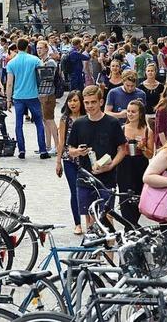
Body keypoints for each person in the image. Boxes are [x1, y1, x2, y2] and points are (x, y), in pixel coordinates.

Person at [67, 85, 127, 228]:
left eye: (93, 102)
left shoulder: (112, 123)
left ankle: (108, 249)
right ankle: (93, 249)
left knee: (107, 217)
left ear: (101, 102)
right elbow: (70, 150)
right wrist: (78, 152)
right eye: (86, 102)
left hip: (107, 178)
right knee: (90, 219)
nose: (89, 106)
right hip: (85, 177)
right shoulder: (79, 123)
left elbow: (122, 149)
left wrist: (111, 166)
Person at [6, 37, 49, 159]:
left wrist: (8, 99)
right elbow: (44, 75)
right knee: (39, 123)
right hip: (33, 95)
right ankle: (42, 150)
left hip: (18, 97)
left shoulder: (11, 63)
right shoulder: (35, 60)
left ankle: (22, 150)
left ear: (17, 47)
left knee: (18, 124)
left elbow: (9, 83)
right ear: (27, 47)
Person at [116, 100, 154, 229]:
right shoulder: (121, 129)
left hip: (140, 164)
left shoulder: (147, 131)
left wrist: (142, 148)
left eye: (133, 112)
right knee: (124, 196)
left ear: (140, 114)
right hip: (124, 165)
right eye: (128, 111)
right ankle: (130, 227)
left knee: (138, 196)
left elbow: (150, 154)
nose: (130, 114)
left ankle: (131, 226)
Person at [55, 90, 85, 235]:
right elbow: (61, 142)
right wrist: (58, 161)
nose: (72, 103)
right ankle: (77, 223)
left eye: (75, 100)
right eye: (70, 100)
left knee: (87, 190)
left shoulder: (87, 118)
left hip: (86, 160)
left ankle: (91, 221)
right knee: (75, 191)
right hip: (69, 159)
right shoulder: (65, 119)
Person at [36, 41, 59, 155]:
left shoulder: (50, 62)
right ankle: (48, 145)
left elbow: (47, 78)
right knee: (45, 120)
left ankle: (57, 145)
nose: (38, 50)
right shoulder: (41, 61)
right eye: (37, 48)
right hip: (42, 94)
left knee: (49, 120)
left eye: (40, 48)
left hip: (49, 94)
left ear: (46, 49)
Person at [138, 63, 164, 127]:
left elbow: (162, 101)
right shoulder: (140, 86)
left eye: (152, 71)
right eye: (148, 71)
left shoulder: (161, 86)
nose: (150, 73)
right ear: (145, 72)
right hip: (145, 115)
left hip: (157, 115)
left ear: (155, 72)